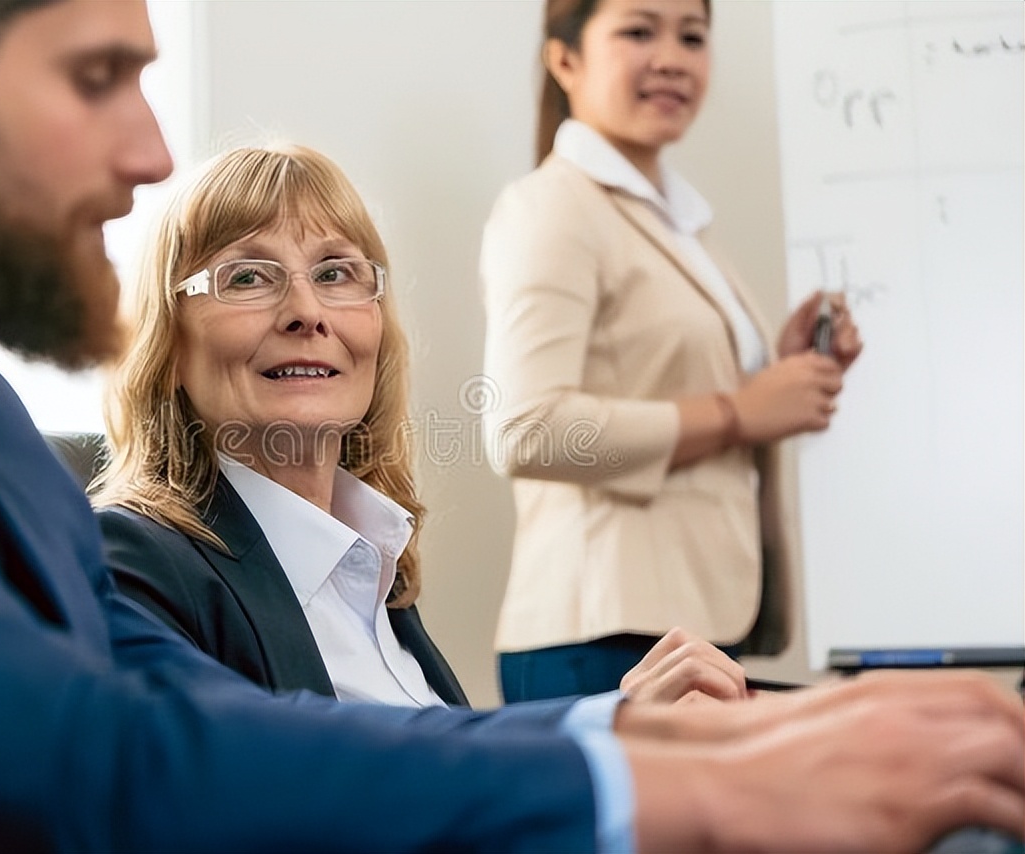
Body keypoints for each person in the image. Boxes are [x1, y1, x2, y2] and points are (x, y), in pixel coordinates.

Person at [0, 2, 1021, 852]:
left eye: (341, 275)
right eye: (97, 78)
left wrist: (628, 727)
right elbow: (101, 759)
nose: (147, 148)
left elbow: (212, 717)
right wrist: (678, 778)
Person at [93, 141, 749, 709]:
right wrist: (593, 735)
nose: (306, 311)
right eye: (248, 277)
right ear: (169, 346)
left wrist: (625, 728)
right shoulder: (133, 564)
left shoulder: (377, 574)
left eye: (335, 272)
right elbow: (277, 787)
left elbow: (451, 781)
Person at [480, 0, 865, 701]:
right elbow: (525, 430)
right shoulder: (554, 207)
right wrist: (738, 410)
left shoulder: (680, 221)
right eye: (638, 30)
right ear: (564, 59)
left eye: (692, 36)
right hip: (606, 638)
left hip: (689, 628)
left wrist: (774, 375)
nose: (672, 58)